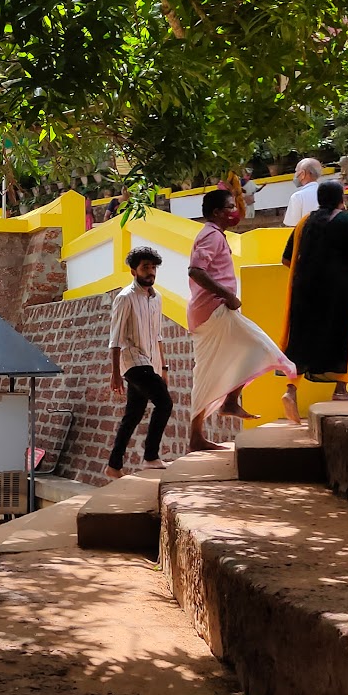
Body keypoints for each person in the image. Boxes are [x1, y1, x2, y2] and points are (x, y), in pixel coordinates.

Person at [188, 188, 296, 450]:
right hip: (214, 310)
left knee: (213, 367)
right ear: (216, 213)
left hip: (211, 311)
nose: (234, 211)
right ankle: (210, 422)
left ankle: (216, 416)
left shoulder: (215, 235)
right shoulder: (211, 236)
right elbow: (195, 271)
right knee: (259, 347)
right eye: (229, 207)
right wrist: (227, 294)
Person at [281, 180, 348, 422]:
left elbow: (286, 259)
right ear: (341, 199)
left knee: (303, 339)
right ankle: (340, 390)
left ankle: (290, 391)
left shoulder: (305, 222)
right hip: (340, 290)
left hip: (304, 290)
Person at [106, 246, 173, 478]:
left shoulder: (157, 298)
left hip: (151, 361)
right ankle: (151, 456)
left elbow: (158, 336)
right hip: (133, 361)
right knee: (164, 403)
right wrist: (115, 374)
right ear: (134, 271)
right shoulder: (125, 298)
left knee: (133, 414)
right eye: (145, 267)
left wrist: (163, 368)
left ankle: (114, 465)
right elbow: (115, 338)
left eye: (153, 267)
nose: (150, 272)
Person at [282, 158, 324, 228]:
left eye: (296, 171)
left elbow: (292, 226)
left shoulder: (297, 197)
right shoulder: (327, 193)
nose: (295, 174)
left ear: (303, 174)